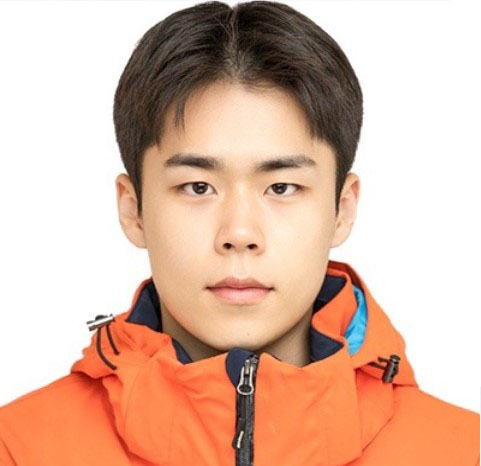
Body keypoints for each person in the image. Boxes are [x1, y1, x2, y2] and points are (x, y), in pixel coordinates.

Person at [0, 1, 479, 465]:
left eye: (282, 187)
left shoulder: (464, 452)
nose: (240, 233)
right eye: (198, 187)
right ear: (133, 209)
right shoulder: (19, 448)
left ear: (342, 208)